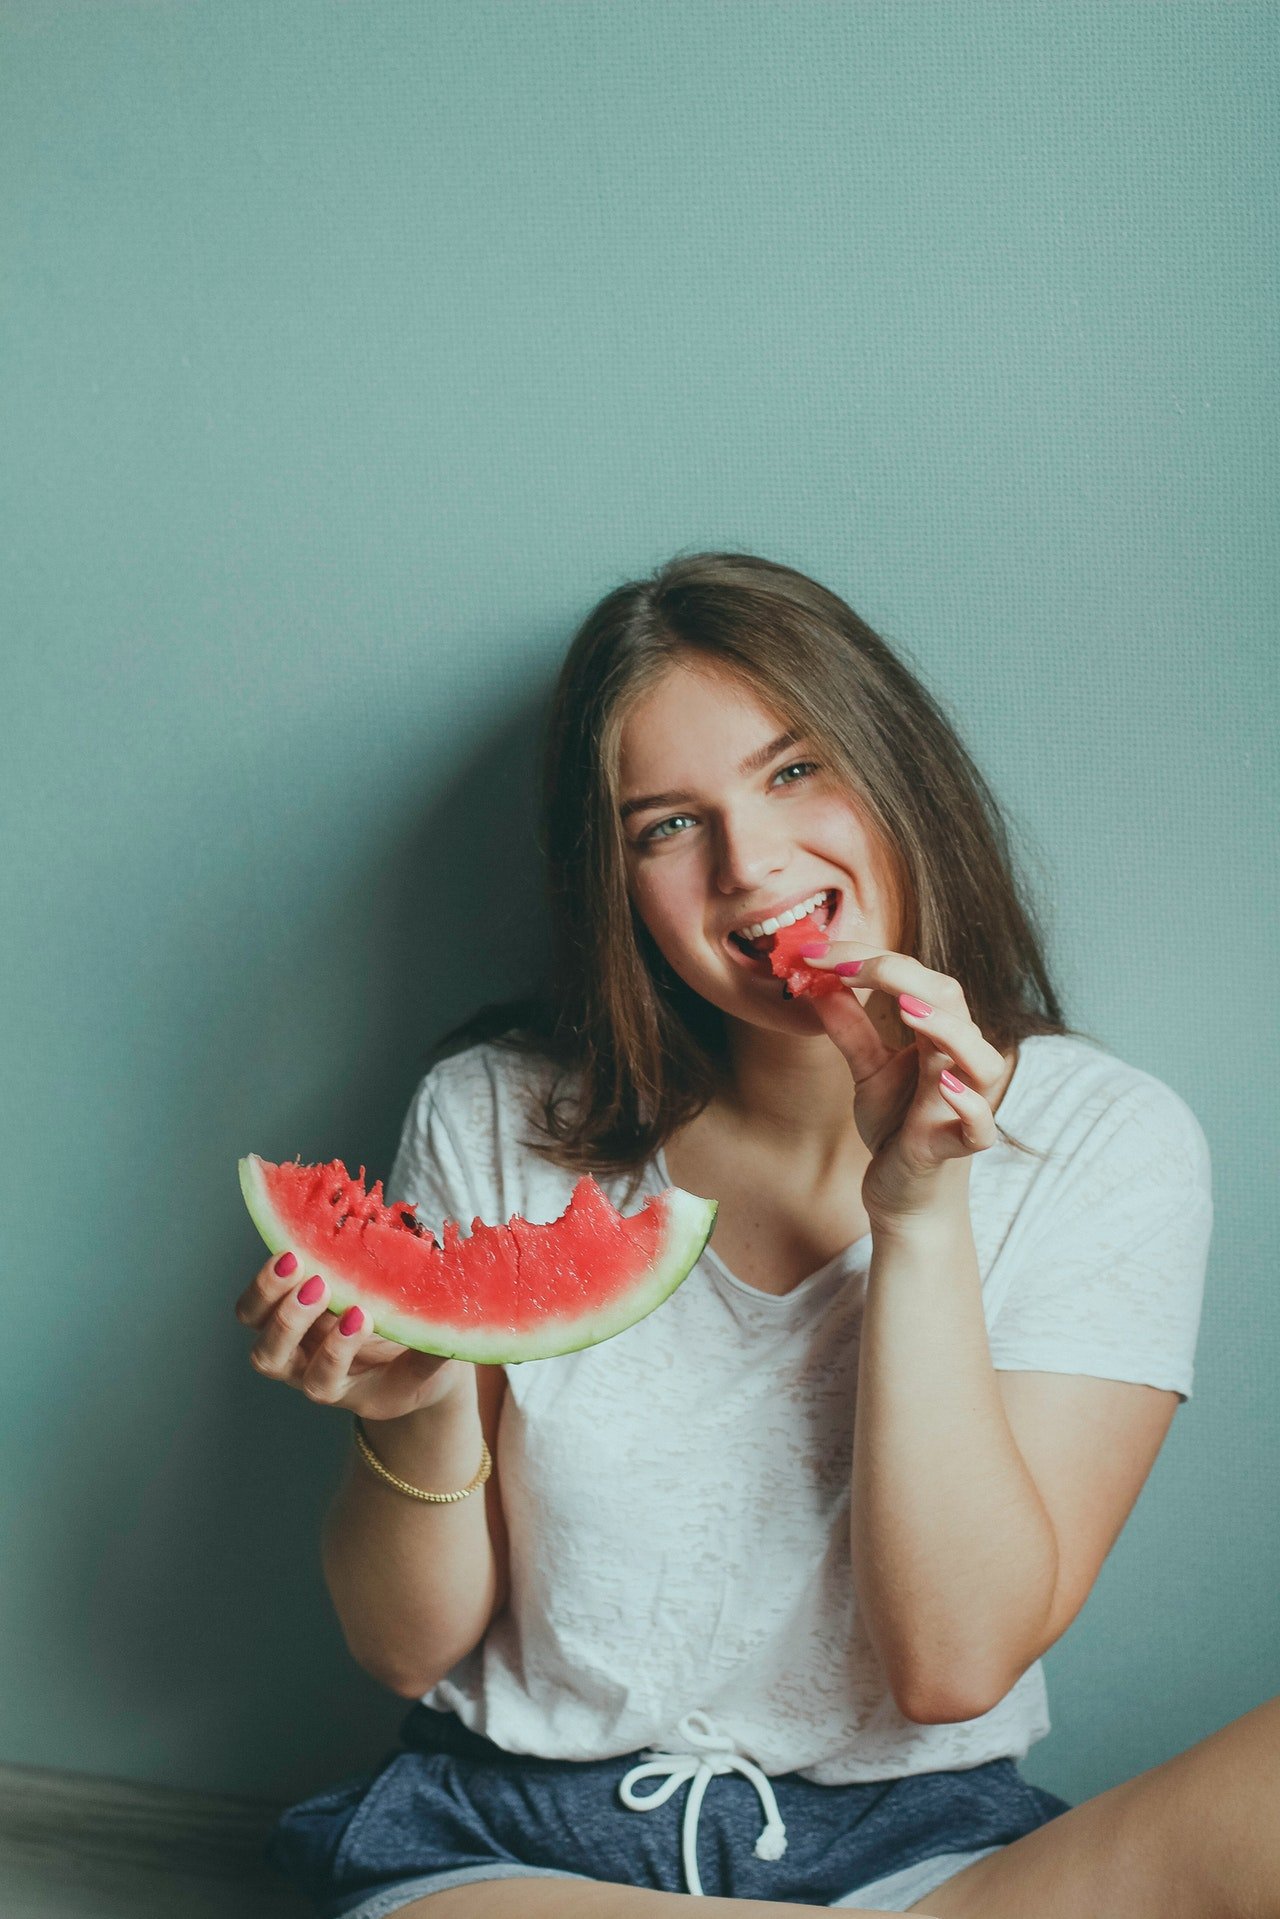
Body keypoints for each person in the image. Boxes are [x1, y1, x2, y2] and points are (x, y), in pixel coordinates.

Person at [240, 552, 1279, 1918]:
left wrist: (917, 1217)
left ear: (898, 774)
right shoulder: (492, 1114)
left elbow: (953, 1666)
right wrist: (415, 1412)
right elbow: (403, 1647)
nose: (752, 865)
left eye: (796, 773)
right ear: (614, 880)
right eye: (667, 825)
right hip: (518, 1853)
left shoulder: (1107, 1138)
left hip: (919, 1859)